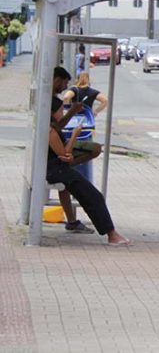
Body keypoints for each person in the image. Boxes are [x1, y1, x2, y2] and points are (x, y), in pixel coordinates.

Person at [48, 97, 131, 245]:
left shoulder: (51, 127)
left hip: (56, 169)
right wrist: (74, 135)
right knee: (94, 197)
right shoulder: (51, 131)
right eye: (61, 111)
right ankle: (112, 235)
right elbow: (65, 156)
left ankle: (111, 233)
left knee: (89, 195)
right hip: (56, 170)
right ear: (53, 113)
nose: (63, 113)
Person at [51, 67, 100, 233]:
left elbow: (57, 125)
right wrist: (72, 113)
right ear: (56, 79)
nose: (65, 87)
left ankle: (71, 221)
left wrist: (71, 112)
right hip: (60, 151)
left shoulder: (51, 100)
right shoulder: (54, 103)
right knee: (95, 148)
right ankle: (70, 163)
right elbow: (59, 126)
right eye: (64, 83)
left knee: (64, 185)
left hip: (56, 153)